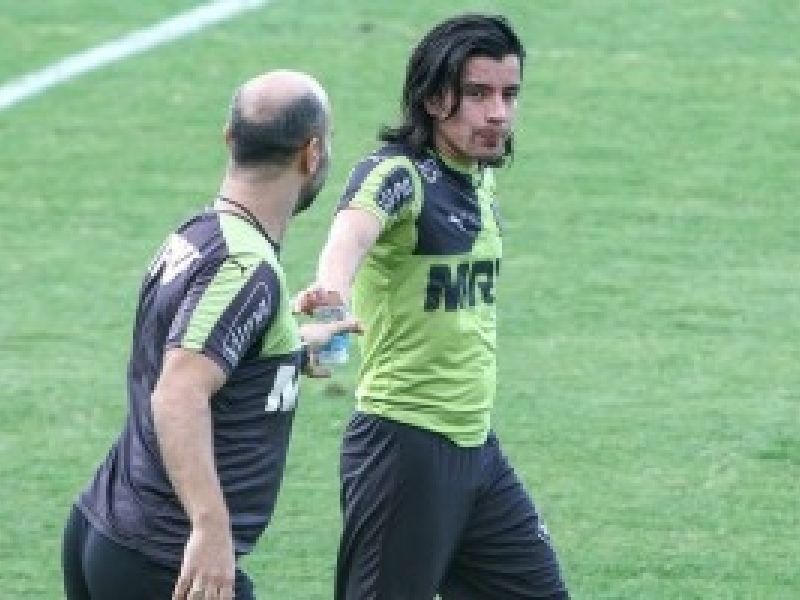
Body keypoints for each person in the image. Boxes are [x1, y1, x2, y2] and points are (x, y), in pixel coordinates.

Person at [296, 14, 570, 599]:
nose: (498, 113)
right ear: (433, 98)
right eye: (478, 94)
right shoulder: (397, 174)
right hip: (403, 448)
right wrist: (330, 293)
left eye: (509, 94)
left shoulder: (476, 177)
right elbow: (350, 234)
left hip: (474, 445)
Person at [62, 70, 360, 600]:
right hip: (168, 558)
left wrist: (289, 348)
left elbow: (192, 353)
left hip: (106, 531)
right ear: (312, 154)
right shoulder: (245, 268)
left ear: (230, 137)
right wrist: (210, 527)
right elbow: (179, 392)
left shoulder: (195, 236)